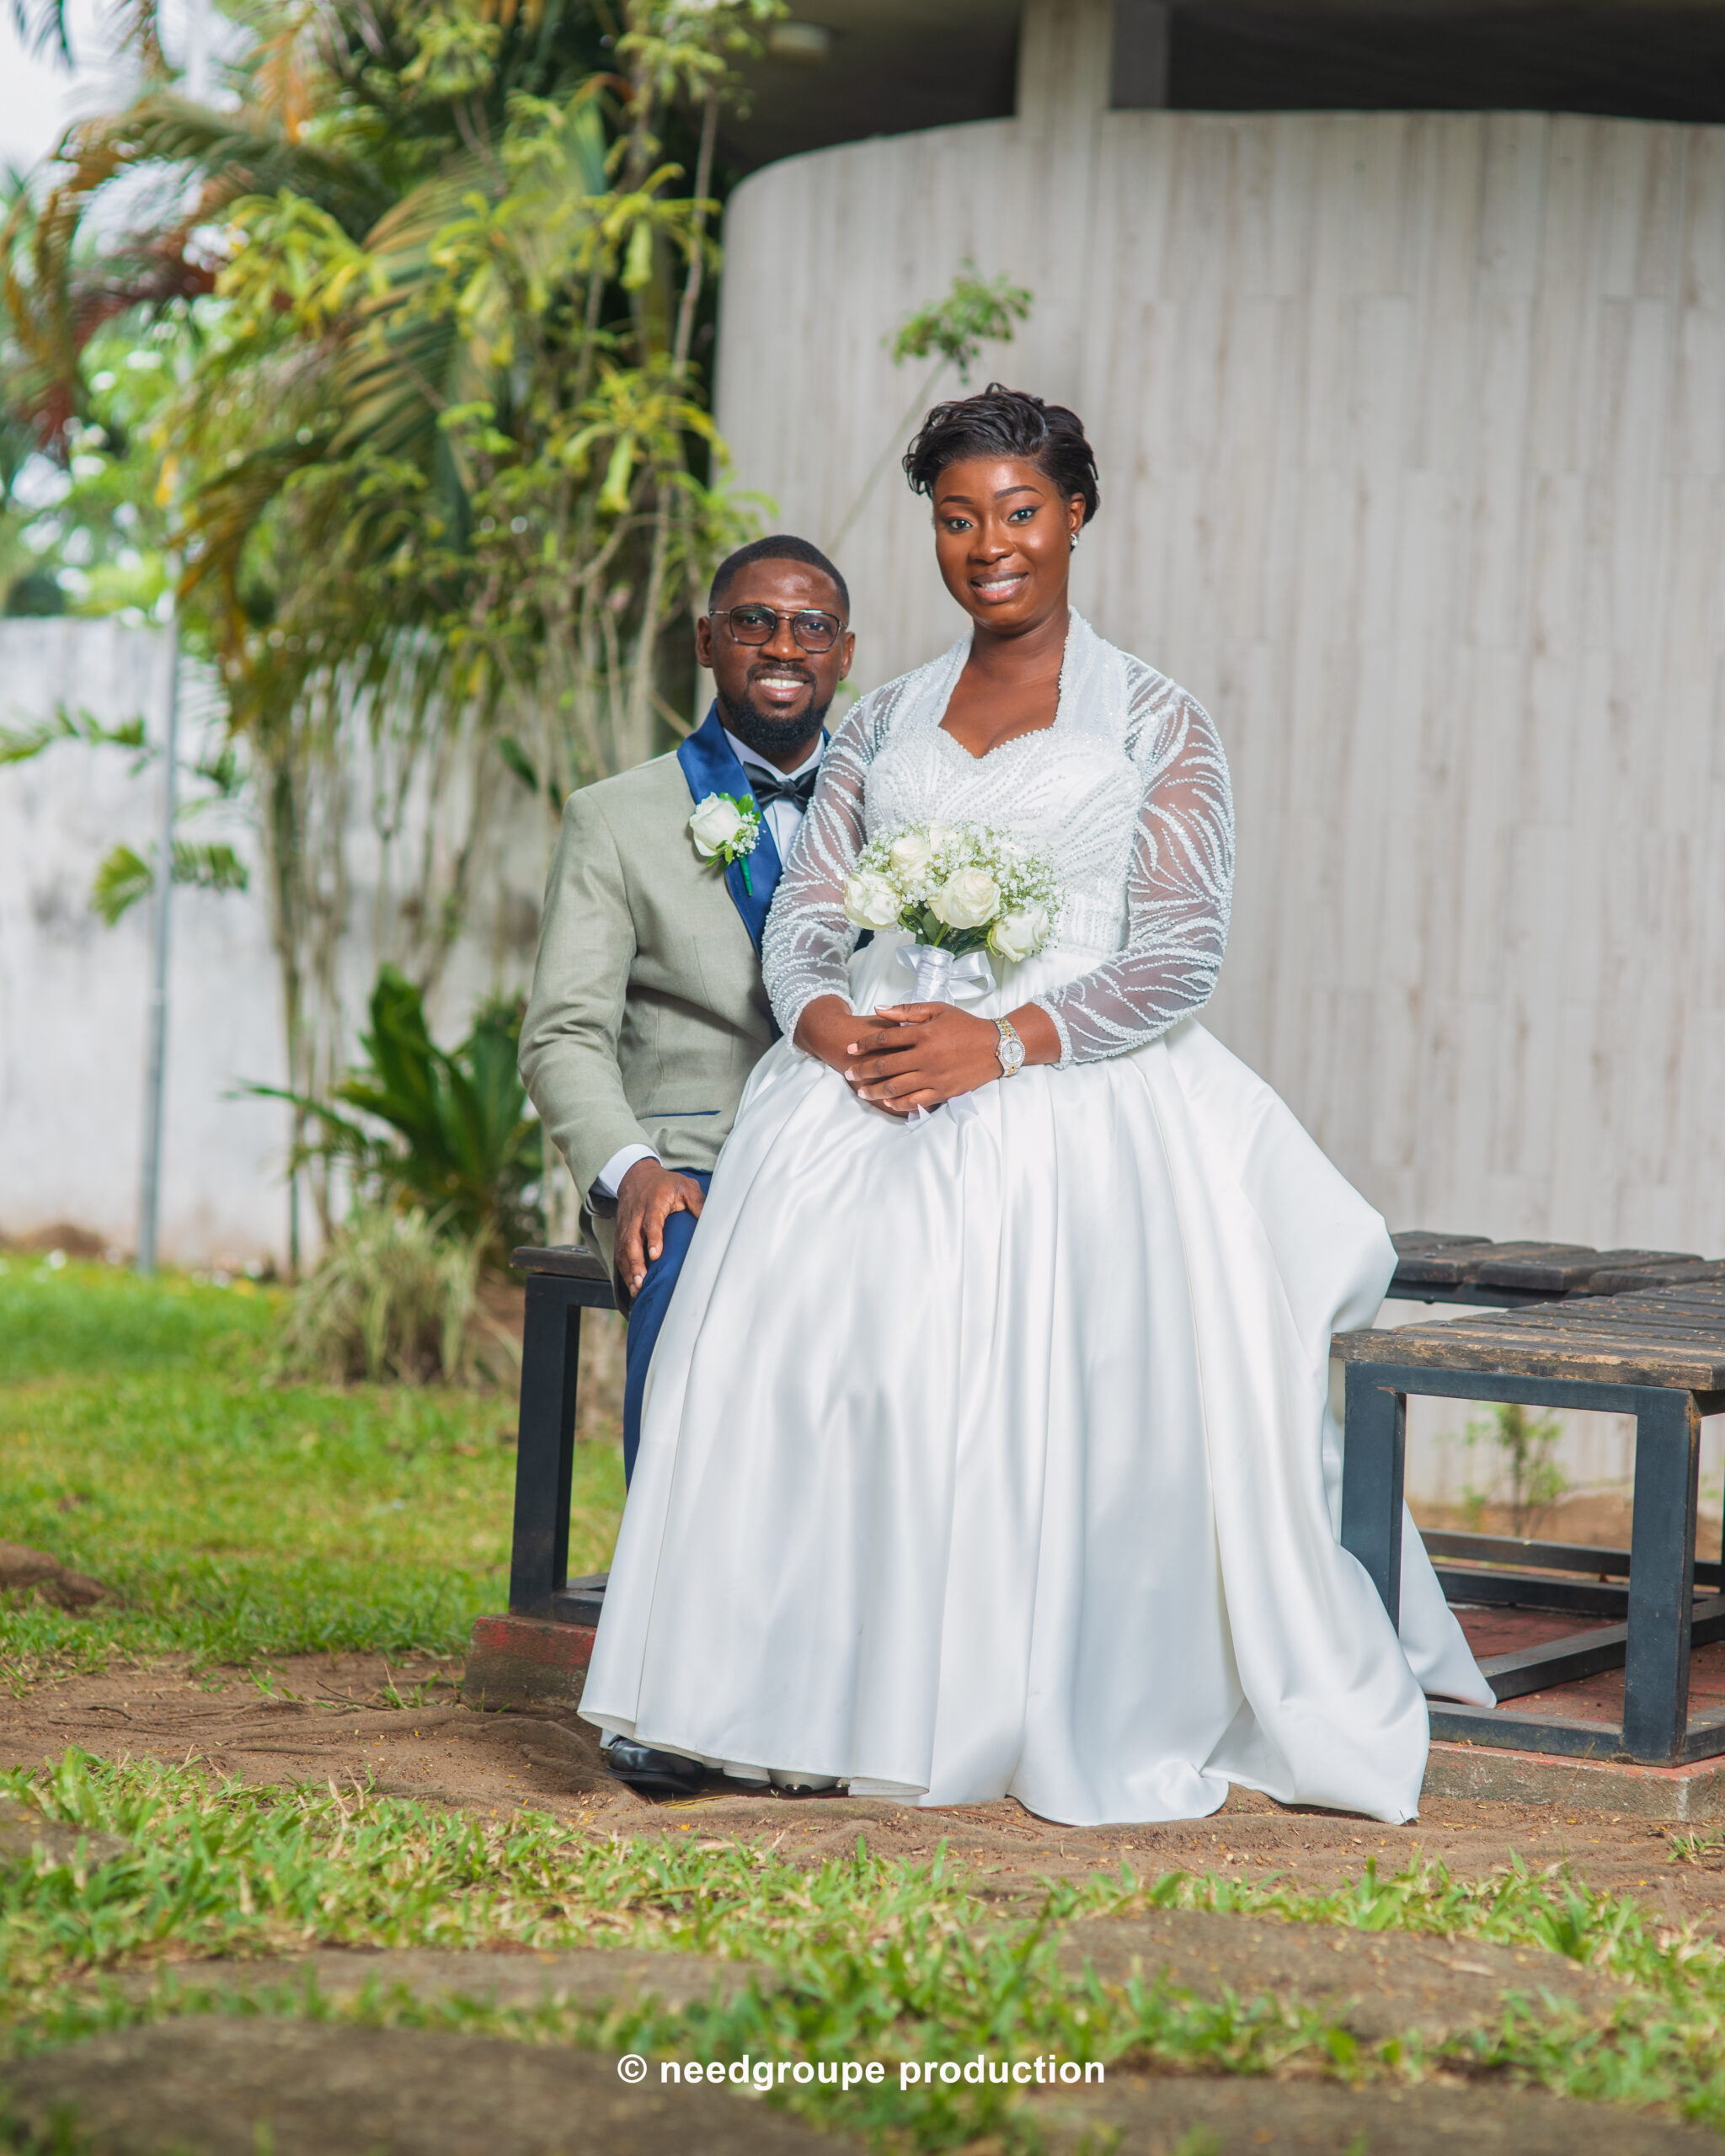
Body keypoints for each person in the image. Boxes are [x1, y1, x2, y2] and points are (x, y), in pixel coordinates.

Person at [578, 386, 1491, 1826]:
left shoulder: (1158, 720)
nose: (988, 544)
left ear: (1075, 516)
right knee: (786, 1355)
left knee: (981, 1366)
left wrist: (1001, 1045)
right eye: (957, 519)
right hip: (868, 1070)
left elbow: (1180, 954)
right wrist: (829, 1026)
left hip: (1071, 1083)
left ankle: (970, 1691)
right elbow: (810, 917)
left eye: (1017, 513)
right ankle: (760, 1697)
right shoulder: (885, 718)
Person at [519, 532, 855, 1793]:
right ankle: (672, 1695)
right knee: (695, 1287)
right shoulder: (614, 818)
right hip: (696, 1170)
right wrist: (632, 1170)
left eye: (809, 626)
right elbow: (563, 1034)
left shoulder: (898, 811)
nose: (782, 647)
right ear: (709, 641)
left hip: (860, 1169)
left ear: (844, 653)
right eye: (754, 622)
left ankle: (848, 1691)